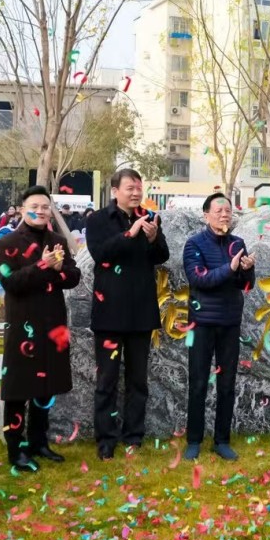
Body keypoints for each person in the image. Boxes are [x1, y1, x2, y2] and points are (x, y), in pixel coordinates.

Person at [0, 186, 82, 471]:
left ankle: (38, 441)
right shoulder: (7, 242)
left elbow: (73, 277)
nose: (41, 211)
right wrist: (42, 265)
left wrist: (58, 270)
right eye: (35, 206)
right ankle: (15, 448)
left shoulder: (57, 239)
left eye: (46, 206)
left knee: (47, 386)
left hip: (52, 321)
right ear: (22, 209)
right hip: (23, 325)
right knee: (18, 389)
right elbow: (12, 283)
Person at [85, 168, 170, 461]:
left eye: (139, 188)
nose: (136, 193)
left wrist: (154, 237)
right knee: (106, 380)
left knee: (138, 380)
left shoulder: (149, 217)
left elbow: (162, 256)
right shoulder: (97, 220)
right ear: (114, 191)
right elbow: (101, 254)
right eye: (130, 188)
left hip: (141, 311)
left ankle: (133, 435)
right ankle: (105, 439)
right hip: (109, 312)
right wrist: (129, 233)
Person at [183, 193, 256, 461]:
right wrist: (231, 267)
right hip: (200, 324)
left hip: (229, 322)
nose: (225, 215)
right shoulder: (194, 245)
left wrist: (247, 269)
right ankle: (194, 440)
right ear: (206, 215)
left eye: (228, 211)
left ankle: (222, 440)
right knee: (198, 382)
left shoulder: (238, 243)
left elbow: (246, 286)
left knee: (227, 383)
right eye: (219, 211)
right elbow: (198, 278)